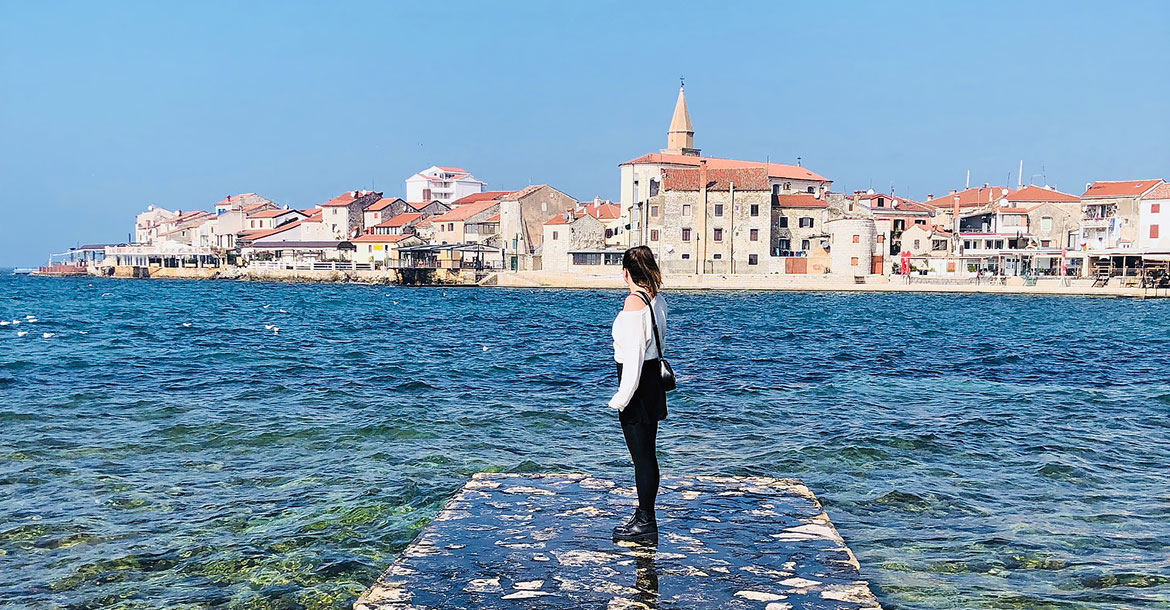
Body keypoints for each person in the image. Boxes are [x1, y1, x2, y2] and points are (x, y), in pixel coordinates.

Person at [608, 245, 667, 542]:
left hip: (636, 386)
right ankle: (645, 515)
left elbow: (631, 361)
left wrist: (620, 399)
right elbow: (659, 342)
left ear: (626, 273)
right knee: (648, 455)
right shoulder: (657, 300)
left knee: (641, 458)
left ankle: (645, 522)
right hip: (653, 381)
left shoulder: (633, 305)